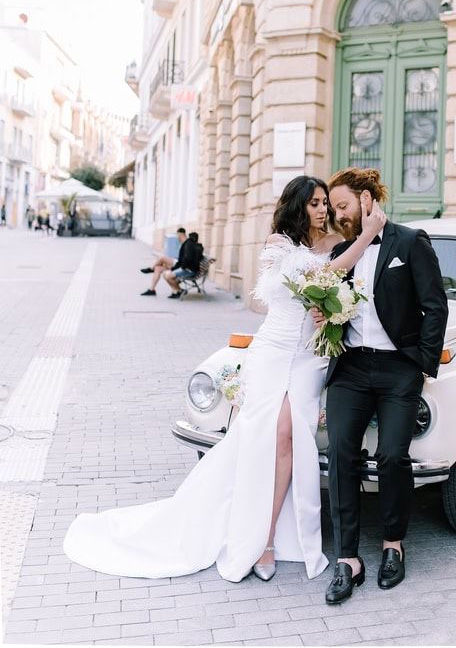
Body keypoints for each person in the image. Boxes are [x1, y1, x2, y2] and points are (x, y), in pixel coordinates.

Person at [63, 175, 385, 583]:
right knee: (262, 441)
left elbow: (337, 288)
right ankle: (260, 539)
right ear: (298, 206)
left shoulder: (332, 246)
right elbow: (313, 283)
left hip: (308, 359)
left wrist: (333, 309)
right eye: (316, 203)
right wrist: (365, 239)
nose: (324, 210)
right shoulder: (278, 245)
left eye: (326, 203)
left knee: (291, 437)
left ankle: (276, 535)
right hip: (272, 352)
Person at [323, 167, 448, 605]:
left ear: (367, 198)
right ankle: (347, 558)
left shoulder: (410, 242)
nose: (338, 214)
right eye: (333, 208)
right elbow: (324, 303)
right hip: (351, 369)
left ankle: (393, 544)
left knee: (392, 454)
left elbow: (435, 306)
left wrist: (423, 364)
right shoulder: (343, 250)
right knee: (340, 450)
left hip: (399, 369)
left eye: (343, 205)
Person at [140, 227, 186, 295]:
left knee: (162, 258)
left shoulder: (186, 243)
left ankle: (151, 268)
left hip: (179, 264)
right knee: (157, 268)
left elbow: (183, 258)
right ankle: (151, 289)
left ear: (180, 234)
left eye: (178, 235)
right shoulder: (179, 242)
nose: (177, 237)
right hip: (175, 262)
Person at [163, 231, 204, 299]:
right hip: (190, 269)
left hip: (190, 271)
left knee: (168, 276)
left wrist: (184, 267)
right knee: (165, 274)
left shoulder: (189, 245)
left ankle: (178, 291)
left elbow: (188, 258)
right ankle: (178, 291)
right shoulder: (194, 245)